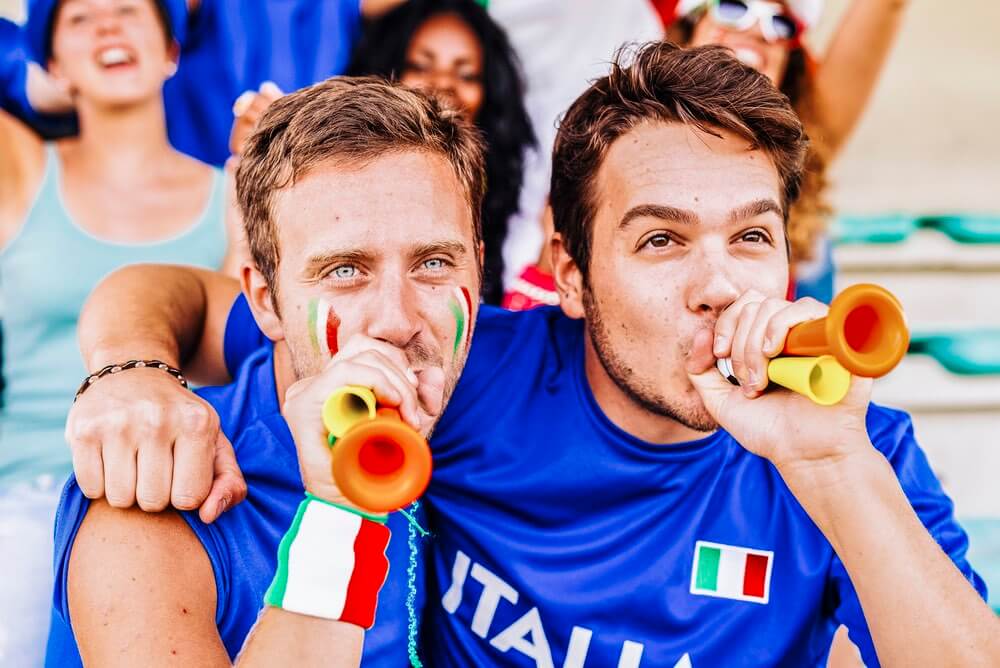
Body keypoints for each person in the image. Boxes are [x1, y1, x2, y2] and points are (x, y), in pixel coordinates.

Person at [62, 43, 1000, 666]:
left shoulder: (852, 449)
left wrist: (835, 464)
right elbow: (172, 297)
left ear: (476, 268)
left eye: (751, 237)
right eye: (661, 241)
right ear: (568, 276)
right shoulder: (459, 379)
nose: (394, 319)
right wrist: (127, 370)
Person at [46, 75, 486, 666]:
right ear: (264, 300)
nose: (396, 321)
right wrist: (340, 512)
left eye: (433, 262)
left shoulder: (489, 376)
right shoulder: (155, 495)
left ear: (479, 269)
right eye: (344, 270)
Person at [0, 0, 233, 662]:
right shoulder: (16, 170)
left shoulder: (239, 194)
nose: (107, 26)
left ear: (171, 51)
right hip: (27, 495)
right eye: (79, 19)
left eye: (131, 10)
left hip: (174, 497)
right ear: (49, 63)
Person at [343, 0, 535, 304]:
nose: (444, 83)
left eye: (467, 75)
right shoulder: (340, 181)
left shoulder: (522, 204)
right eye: (421, 66)